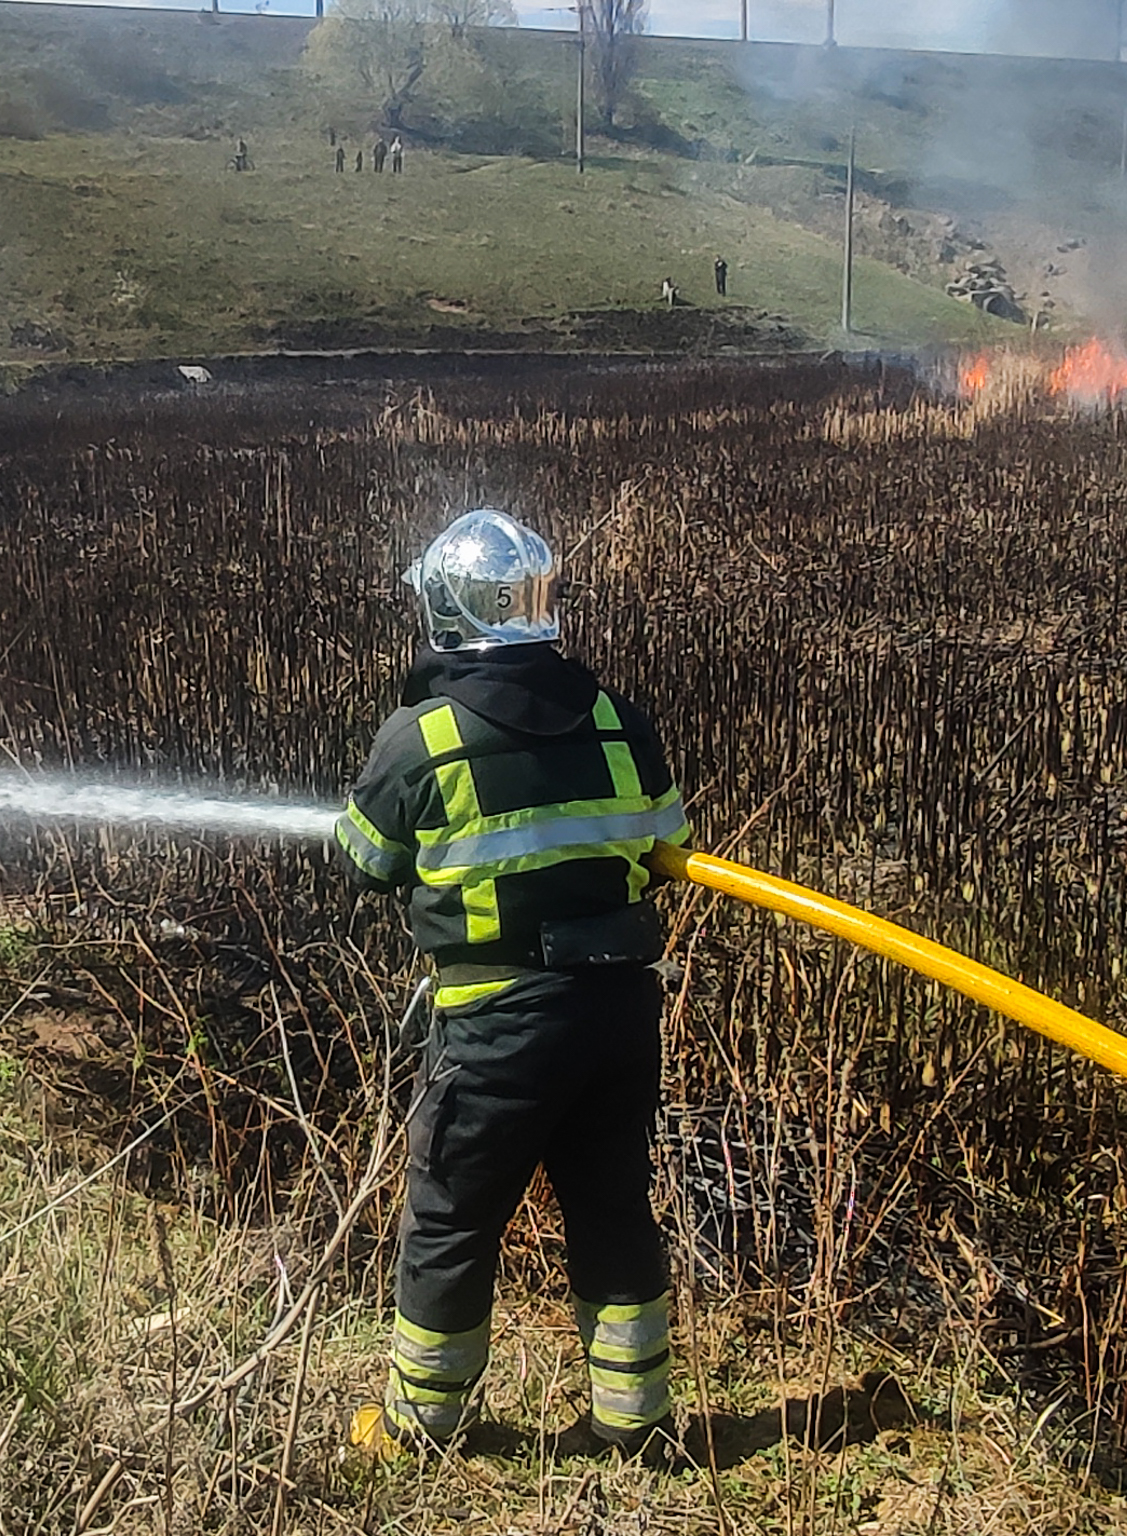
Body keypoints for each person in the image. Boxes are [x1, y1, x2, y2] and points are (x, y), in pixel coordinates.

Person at [335, 509, 690, 1461]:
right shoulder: (620, 721)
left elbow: (365, 862)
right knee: (613, 1207)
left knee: (451, 1219)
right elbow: (668, 850)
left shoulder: (422, 738)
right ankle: (635, 1423)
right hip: (617, 1016)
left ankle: (422, 1425)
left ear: (446, 612)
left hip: (497, 1027)